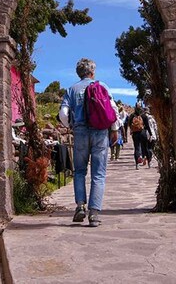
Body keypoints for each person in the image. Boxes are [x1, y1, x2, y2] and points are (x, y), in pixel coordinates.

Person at [58, 58, 111, 227]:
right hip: (100, 133)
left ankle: (80, 205)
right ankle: (94, 213)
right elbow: (112, 109)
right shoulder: (102, 86)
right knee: (99, 173)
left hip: (80, 132)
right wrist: (115, 129)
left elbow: (63, 113)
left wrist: (71, 125)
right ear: (92, 72)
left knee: (79, 171)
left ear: (78, 73)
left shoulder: (71, 89)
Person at [125, 102, 153, 169]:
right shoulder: (144, 115)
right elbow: (147, 126)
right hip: (143, 133)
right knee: (146, 148)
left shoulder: (132, 115)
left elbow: (129, 124)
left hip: (135, 134)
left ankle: (137, 165)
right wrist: (151, 134)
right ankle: (149, 163)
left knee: (137, 148)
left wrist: (132, 130)